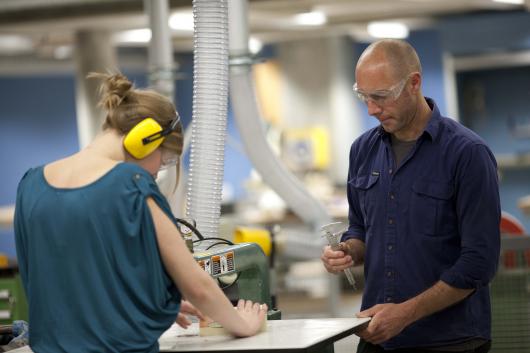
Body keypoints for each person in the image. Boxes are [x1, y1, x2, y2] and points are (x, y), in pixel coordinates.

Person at [14, 72, 267, 353]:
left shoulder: (31, 184)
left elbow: (76, 282)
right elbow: (199, 287)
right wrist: (244, 324)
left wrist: (149, 306)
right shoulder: (130, 185)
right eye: (166, 158)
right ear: (145, 139)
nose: (158, 170)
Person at [321, 39, 500, 353]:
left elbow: (478, 263)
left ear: (414, 83)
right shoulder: (362, 151)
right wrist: (349, 250)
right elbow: (360, 228)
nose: (371, 109)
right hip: (378, 337)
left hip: (451, 341)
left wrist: (405, 313)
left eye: (380, 96)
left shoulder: (467, 154)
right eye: (363, 96)